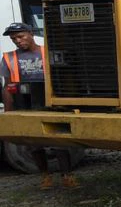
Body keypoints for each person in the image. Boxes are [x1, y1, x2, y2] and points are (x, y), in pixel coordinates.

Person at [1, 21, 74, 188]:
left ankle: (67, 177)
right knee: (34, 143)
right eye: (14, 39)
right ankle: (45, 177)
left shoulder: (47, 53)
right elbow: (7, 87)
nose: (17, 41)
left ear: (31, 33)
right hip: (24, 103)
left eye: (20, 36)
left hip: (48, 103)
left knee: (59, 141)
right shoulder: (9, 58)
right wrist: (9, 113)